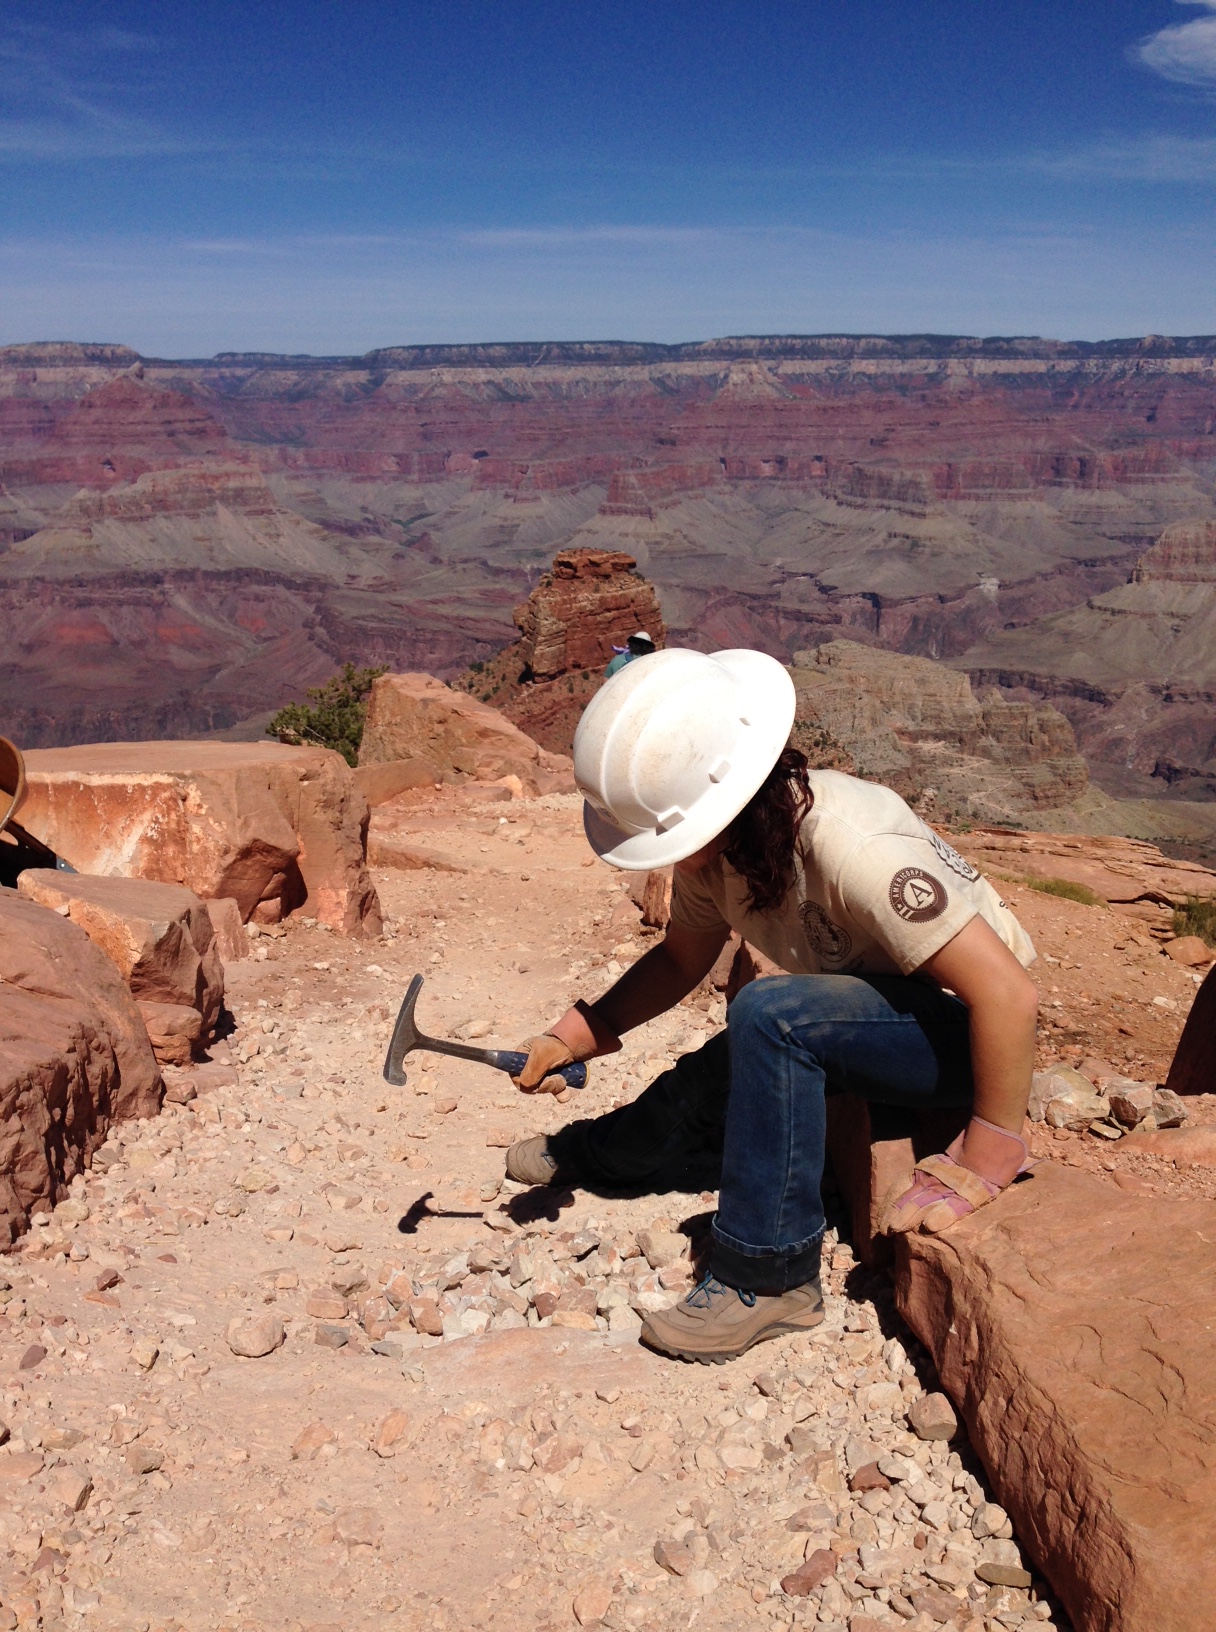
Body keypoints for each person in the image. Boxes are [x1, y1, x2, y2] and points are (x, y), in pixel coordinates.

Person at [508, 647, 1039, 1364]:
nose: (673, 853)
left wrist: (989, 1148)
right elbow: (681, 960)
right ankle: (590, 1154)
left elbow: (1006, 992)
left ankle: (768, 1277)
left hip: (956, 1031)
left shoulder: (855, 844)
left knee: (770, 1015)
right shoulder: (725, 853)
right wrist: (580, 1031)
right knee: (716, 1070)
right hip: (857, 1014)